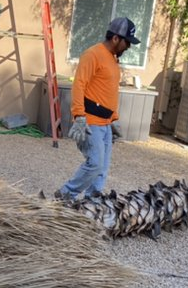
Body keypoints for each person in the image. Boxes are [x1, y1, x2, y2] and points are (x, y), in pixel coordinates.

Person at [56, 17, 140, 200]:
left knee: (102, 168)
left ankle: (92, 202)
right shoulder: (93, 54)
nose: (129, 47)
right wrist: (78, 116)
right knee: (94, 164)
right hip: (90, 122)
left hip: (105, 124)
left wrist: (113, 119)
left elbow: (108, 92)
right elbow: (79, 85)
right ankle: (64, 195)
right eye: (127, 42)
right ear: (116, 38)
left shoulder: (112, 59)